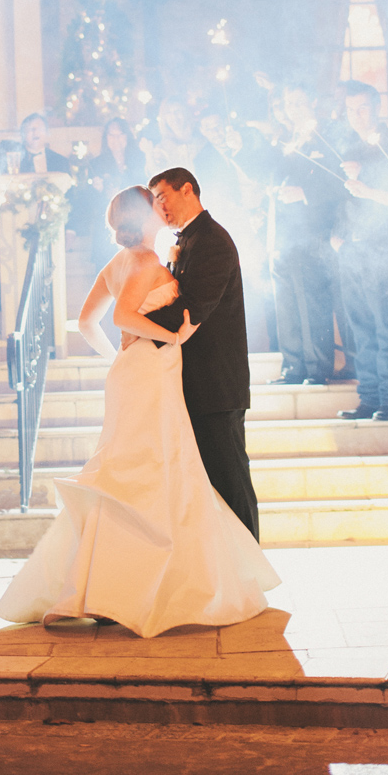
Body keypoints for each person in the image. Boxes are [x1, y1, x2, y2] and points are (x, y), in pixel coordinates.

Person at [0, 186, 278, 634]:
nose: (162, 208)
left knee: (130, 474)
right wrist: (170, 338)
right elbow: (123, 317)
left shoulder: (119, 263)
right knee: (154, 472)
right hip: (151, 371)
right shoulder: (145, 261)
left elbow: (87, 322)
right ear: (142, 213)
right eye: (155, 202)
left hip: (133, 371)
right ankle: (145, 585)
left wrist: (117, 359)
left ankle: (105, 587)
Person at [144, 167, 261, 538]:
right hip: (197, 383)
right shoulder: (187, 239)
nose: (159, 207)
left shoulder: (211, 240)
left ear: (187, 190)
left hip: (216, 385)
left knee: (230, 481)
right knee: (210, 484)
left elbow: (193, 306)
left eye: (162, 196)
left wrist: (137, 326)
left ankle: (248, 572)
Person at [332, 81, 388, 421]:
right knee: (360, 329)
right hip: (352, 249)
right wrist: (337, 236)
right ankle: (368, 399)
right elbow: (341, 197)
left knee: (387, 328)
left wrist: (365, 176)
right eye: (351, 110)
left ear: (377, 108)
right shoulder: (346, 143)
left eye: (363, 108)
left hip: (387, 249)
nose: (357, 116)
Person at [268, 89, 352, 385]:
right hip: (282, 235)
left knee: (311, 301)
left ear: (314, 102)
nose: (293, 108)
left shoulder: (327, 135)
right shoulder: (286, 140)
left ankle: (317, 368)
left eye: (299, 102)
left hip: (313, 232)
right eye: (288, 102)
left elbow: (342, 181)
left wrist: (305, 193)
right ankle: (293, 367)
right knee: (287, 302)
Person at [82, 118, 147, 267]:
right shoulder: (96, 164)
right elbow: (88, 202)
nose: (115, 140)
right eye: (111, 135)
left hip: (136, 223)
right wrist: (97, 190)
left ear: (127, 136)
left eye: (120, 135)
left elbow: (145, 187)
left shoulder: (140, 159)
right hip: (108, 226)